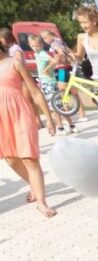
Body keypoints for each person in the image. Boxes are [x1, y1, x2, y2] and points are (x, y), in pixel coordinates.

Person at [0, 39, 57, 217]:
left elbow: (35, 91)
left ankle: (41, 202)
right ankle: (33, 185)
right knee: (11, 159)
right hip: (2, 119)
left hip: (20, 114)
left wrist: (49, 118)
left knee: (29, 158)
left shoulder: (14, 63)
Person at [28, 34, 77, 135]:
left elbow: (54, 61)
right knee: (59, 104)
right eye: (33, 46)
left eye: (37, 46)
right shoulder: (37, 54)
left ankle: (61, 128)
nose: (35, 48)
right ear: (30, 45)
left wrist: (46, 69)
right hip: (47, 81)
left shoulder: (42, 53)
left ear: (42, 45)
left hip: (49, 83)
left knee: (53, 106)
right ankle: (71, 125)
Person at [40, 29, 88, 122]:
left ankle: (67, 116)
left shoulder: (55, 44)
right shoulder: (60, 41)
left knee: (62, 92)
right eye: (43, 39)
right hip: (68, 68)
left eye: (45, 38)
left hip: (62, 69)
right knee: (73, 92)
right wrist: (70, 56)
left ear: (51, 35)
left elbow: (60, 54)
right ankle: (82, 115)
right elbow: (69, 51)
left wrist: (52, 63)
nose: (45, 41)